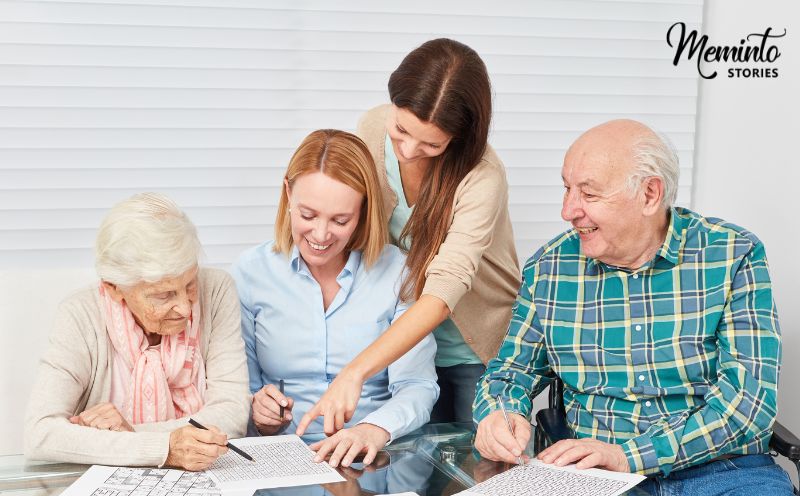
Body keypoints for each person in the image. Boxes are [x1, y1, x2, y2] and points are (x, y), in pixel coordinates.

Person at [473, 119, 800, 496]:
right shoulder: (550, 268)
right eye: (566, 189)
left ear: (650, 193)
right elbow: (509, 373)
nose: (569, 211)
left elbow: (748, 406)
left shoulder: (732, 254)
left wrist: (630, 455)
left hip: (727, 481)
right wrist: (498, 413)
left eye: (588, 193)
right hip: (599, 493)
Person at [296, 38, 520, 435]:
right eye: (401, 129)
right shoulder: (371, 127)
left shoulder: (483, 175)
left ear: (460, 136)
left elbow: (444, 288)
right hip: (398, 346)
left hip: (472, 345)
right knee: (408, 472)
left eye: (432, 143)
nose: (409, 150)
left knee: (475, 477)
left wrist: (357, 370)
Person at [232, 129, 438, 467]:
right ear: (288, 193)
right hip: (281, 465)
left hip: (372, 461)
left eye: (340, 220)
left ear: (362, 211)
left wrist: (373, 428)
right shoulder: (251, 273)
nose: (321, 235)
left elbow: (417, 386)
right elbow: (240, 391)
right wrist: (259, 409)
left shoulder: (398, 273)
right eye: (308, 215)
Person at [24, 193, 250, 470]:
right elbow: (40, 434)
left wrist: (127, 434)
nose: (185, 308)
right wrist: (164, 449)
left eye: (190, 284)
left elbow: (232, 414)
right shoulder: (80, 314)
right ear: (114, 288)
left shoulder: (216, 290)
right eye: (164, 295)